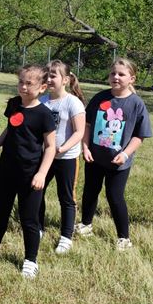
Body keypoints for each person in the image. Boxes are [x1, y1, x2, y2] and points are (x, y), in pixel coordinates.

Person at [0, 64, 56, 279]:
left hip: (30, 174)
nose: (23, 87)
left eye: (29, 83)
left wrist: (41, 174)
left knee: (29, 218)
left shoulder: (45, 115)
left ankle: (30, 260)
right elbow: (10, 128)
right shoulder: (14, 104)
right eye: (21, 82)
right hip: (7, 170)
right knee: (0, 210)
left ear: (42, 87)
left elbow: (50, 147)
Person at [75, 58, 152, 251]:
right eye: (113, 73)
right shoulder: (100, 98)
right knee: (90, 191)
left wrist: (125, 154)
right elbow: (87, 125)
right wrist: (85, 147)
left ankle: (124, 238)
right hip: (94, 157)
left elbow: (140, 135)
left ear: (132, 79)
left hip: (118, 162)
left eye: (121, 74)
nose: (115, 77)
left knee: (115, 196)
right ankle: (86, 225)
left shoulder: (136, 104)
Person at [39, 60, 86, 255]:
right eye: (47, 76)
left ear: (65, 80)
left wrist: (63, 148)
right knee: (37, 191)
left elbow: (79, 132)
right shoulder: (42, 101)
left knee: (66, 197)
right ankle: (38, 228)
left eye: (53, 76)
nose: (49, 79)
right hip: (45, 157)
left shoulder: (72, 102)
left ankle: (66, 237)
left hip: (67, 158)